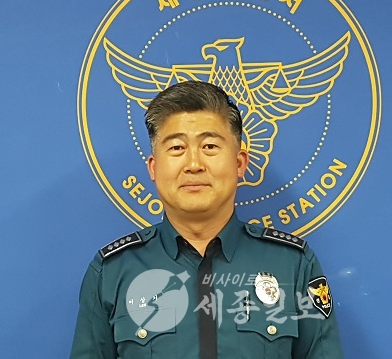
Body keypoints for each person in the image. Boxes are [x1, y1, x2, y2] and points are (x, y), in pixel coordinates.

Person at [70, 81, 344, 358]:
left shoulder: (293, 265)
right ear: (153, 167)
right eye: (176, 148)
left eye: (210, 146)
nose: (193, 164)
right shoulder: (111, 272)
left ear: (239, 163)